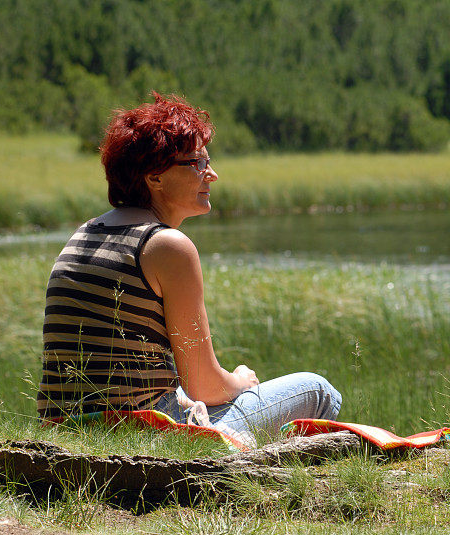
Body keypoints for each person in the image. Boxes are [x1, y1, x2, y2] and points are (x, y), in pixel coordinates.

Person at [37, 93, 341, 444]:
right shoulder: (166, 245)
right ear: (154, 177)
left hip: (64, 432)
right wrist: (242, 380)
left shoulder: (84, 233)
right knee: (317, 389)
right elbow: (205, 386)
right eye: (196, 163)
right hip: (146, 434)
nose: (211, 174)